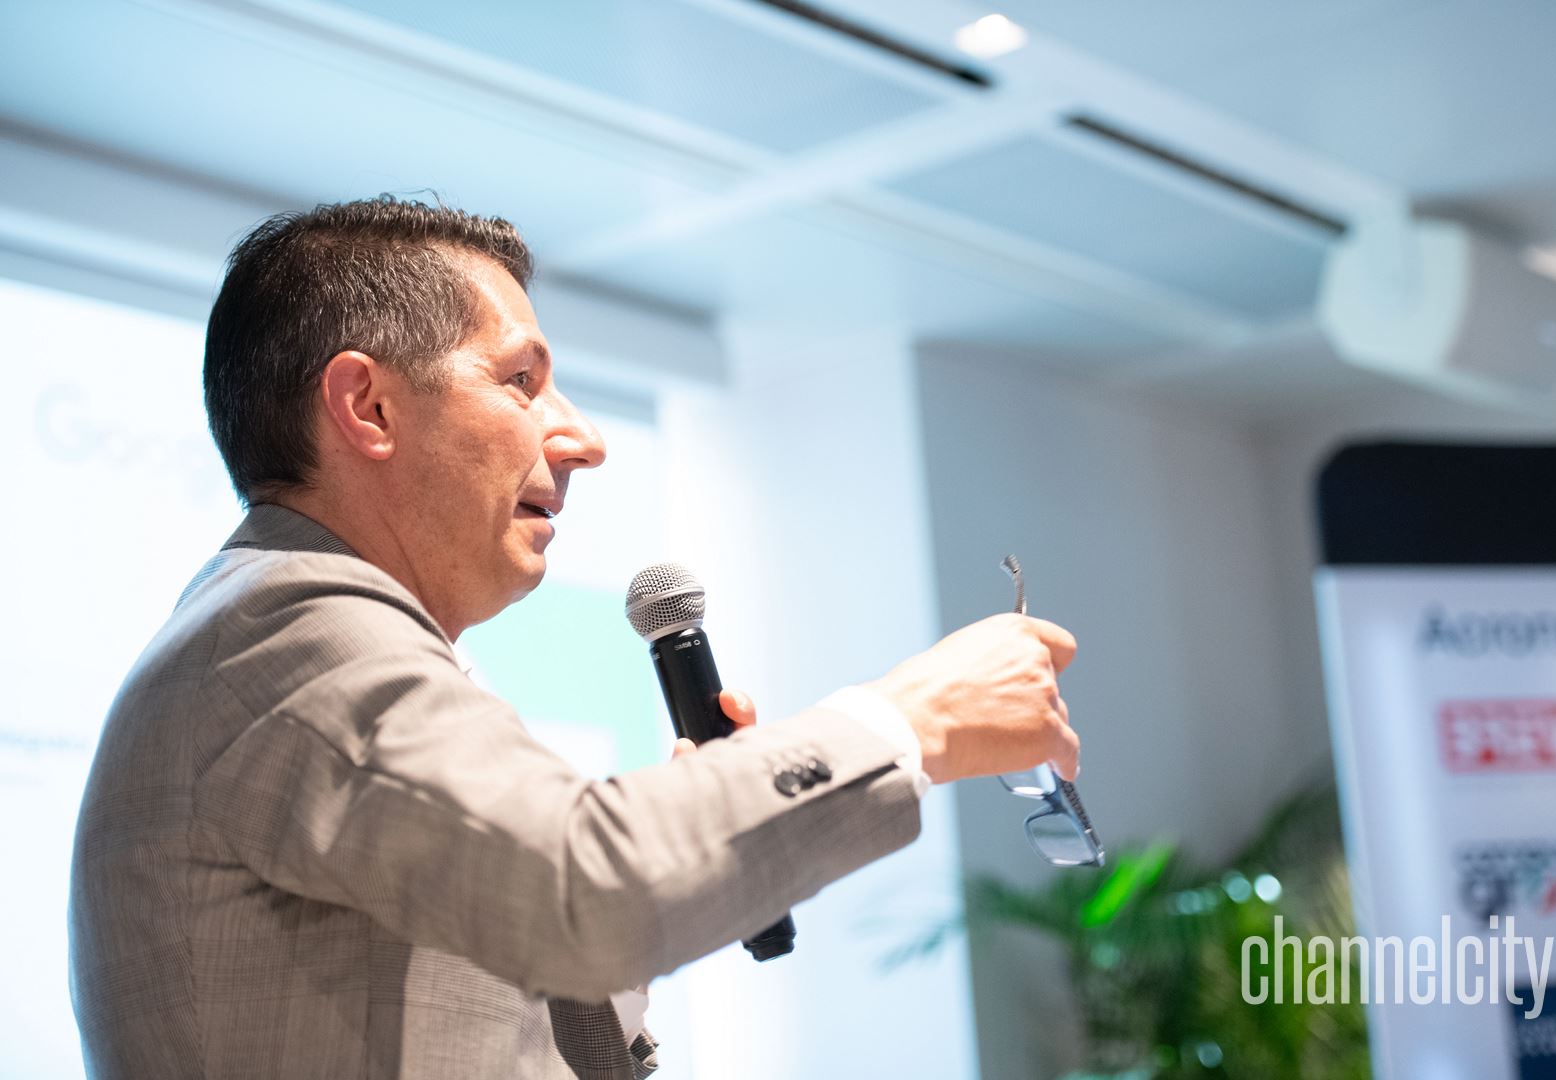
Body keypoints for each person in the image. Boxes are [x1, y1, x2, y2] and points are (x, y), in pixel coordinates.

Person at [68, 196, 1080, 1079]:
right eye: (520, 380)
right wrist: (913, 720)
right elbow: (582, 891)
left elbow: (521, 965)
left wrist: (692, 832)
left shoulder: (292, 628)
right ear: (367, 407)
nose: (583, 439)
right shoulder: (291, 628)